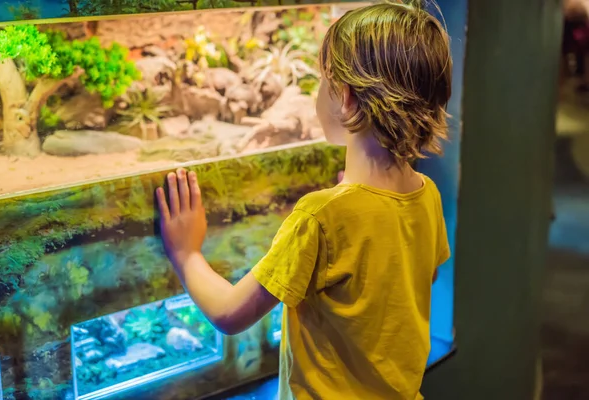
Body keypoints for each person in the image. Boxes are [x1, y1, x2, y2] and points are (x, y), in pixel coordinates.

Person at [155, 1, 452, 399]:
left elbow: (229, 313)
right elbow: (410, 277)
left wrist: (187, 252)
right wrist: (358, 201)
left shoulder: (320, 216)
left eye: (321, 81)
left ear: (345, 98)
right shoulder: (426, 195)